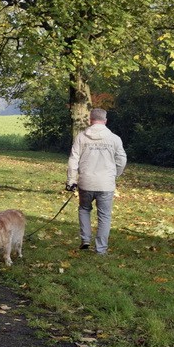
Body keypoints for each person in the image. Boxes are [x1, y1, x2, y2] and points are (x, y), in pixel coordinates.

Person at [65, 108, 127, 255]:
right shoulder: (114, 138)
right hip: (106, 184)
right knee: (104, 216)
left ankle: (85, 239)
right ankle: (101, 249)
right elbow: (122, 160)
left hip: (86, 182)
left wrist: (71, 180)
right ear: (105, 121)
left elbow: (73, 159)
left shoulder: (81, 137)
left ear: (90, 120)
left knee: (84, 209)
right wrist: (115, 174)